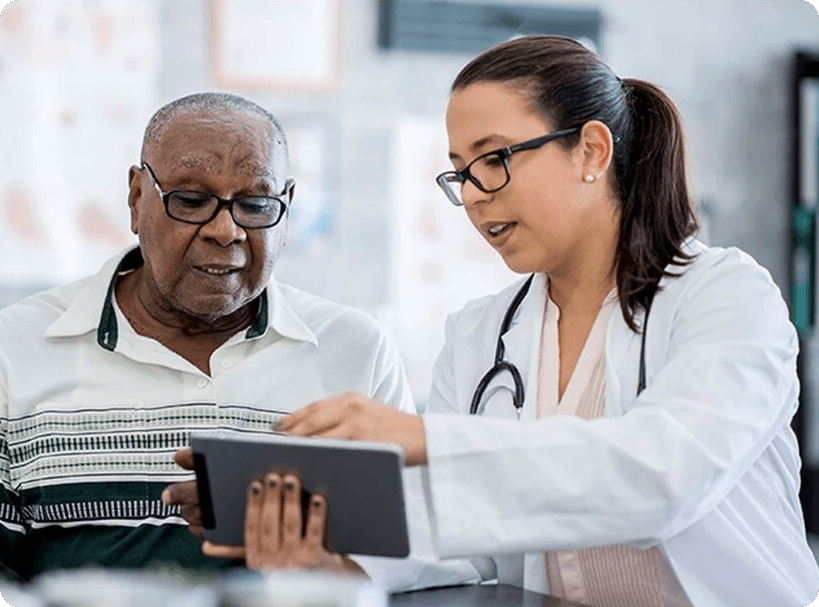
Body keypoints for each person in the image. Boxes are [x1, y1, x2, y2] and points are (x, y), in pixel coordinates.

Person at [264, 36, 819, 606]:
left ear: (591, 152)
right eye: (460, 173)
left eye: (495, 160)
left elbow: (664, 478)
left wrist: (425, 438)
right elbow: (458, 531)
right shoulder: (479, 334)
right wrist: (335, 551)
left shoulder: (728, 296)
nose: (473, 196)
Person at [0, 92, 479, 591]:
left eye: (255, 205)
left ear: (286, 209)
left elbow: (427, 552)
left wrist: (322, 559)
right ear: (137, 198)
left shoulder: (354, 350)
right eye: (191, 201)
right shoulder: (16, 348)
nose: (225, 231)